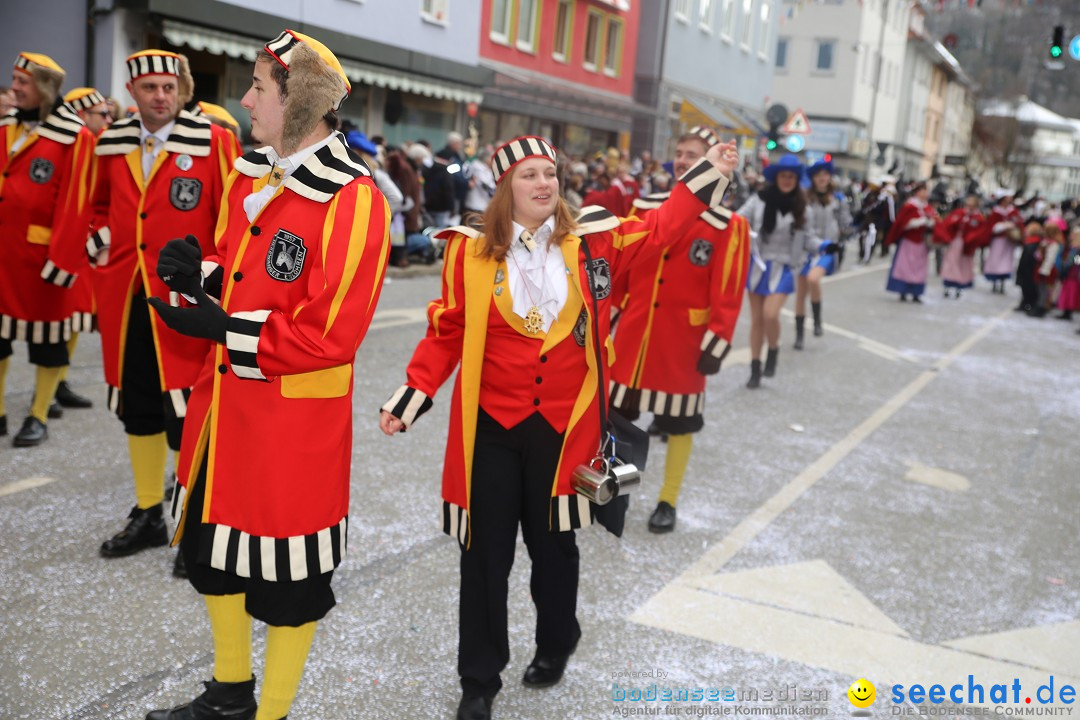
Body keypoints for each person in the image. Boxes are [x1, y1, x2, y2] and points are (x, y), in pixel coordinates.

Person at [379, 134, 737, 720]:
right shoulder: (468, 251)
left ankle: (556, 640)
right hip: (491, 426)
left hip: (563, 428)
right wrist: (411, 396)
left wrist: (709, 172)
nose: (544, 184)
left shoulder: (593, 240)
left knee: (554, 550)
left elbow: (662, 227)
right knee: (485, 556)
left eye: (550, 173)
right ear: (504, 188)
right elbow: (446, 330)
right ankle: (479, 679)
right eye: (529, 176)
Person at [145, 29, 390, 720]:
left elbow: (330, 334)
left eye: (259, 87)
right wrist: (198, 277)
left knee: (288, 586)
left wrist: (224, 327)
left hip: (292, 430)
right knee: (210, 558)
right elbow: (237, 269)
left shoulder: (353, 197)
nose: (246, 98)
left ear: (302, 101)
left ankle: (271, 712)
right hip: (225, 410)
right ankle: (229, 693)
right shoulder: (252, 172)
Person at [90, 50, 240, 567]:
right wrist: (102, 243)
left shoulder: (215, 141)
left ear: (183, 89)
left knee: (188, 411)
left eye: (169, 87)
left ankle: (192, 519)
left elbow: (232, 220)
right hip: (128, 297)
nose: (161, 96)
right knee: (139, 408)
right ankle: (150, 512)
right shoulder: (109, 142)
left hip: (185, 301)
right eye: (150, 87)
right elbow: (95, 209)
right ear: (132, 92)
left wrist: (211, 278)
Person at [609, 126, 750, 533]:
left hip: (683, 345)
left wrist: (718, 340)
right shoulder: (645, 207)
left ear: (713, 162)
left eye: (696, 155)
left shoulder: (727, 225)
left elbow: (728, 291)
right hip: (634, 338)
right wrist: (607, 320)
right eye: (682, 154)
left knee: (680, 424)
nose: (686, 161)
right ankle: (613, 493)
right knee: (617, 419)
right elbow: (621, 272)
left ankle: (667, 499)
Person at [0, 53, 95, 446]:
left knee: (49, 343)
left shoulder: (76, 137)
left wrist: (62, 261)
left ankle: (38, 414)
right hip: (2, 255)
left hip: (40, 260)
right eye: (14, 80)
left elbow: (77, 206)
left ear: (43, 88)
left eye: (22, 82)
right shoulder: (5, 125)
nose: (14, 88)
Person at [738, 154, 835, 388]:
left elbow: (808, 238)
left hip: (783, 268)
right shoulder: (759, 199)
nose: (787, 180)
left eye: (792, 176)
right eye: (783, 175)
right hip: (758, 265)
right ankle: (755, 368)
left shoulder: (803, 207)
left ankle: (773, 349)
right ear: (776, 177)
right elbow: (738, 220)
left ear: (796, 179)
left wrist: (824, 246)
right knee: (757, 320)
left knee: (771, 314)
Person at [54, 87, 112, 412]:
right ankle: (50, 386)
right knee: (61, 315)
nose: (107, 120)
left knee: (76, 315)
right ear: (81, 115)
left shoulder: (99, 143)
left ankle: (59, 380)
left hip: (87, 239)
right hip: (68, 239)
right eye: (100, 114)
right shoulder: (70, 144)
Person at [794, 159, 847, 349]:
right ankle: (799, 335)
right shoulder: (804, 197)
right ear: (813, 178)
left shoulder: (838, 199)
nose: (822, 178)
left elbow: (845, 224)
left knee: (813, 279)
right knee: (800, 294)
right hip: (805, 249)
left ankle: (817, 320)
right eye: (818, 175)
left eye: (825, 175)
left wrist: (846, 234)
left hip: (827, 248)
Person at [884, 182, 940, 303]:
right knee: (905, 267)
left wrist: (931, 223)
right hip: (908, 242)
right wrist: (917, 222)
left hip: (921, 243)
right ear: (917, 192)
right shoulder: (910, 206)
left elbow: (935, 222)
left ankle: (916, 293)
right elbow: (902, 223)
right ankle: (902, 291)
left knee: (919, 269)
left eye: (926, 191)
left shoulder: (928, 208)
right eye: (923, 191)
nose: (925, 193)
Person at [936, 192, 985, 299]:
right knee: (951, 262)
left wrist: (970, 238)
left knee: (962, 265)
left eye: (972, 206)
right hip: (955, 242)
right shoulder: (958, 213)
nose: (969, 208)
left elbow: (979, 232)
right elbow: (947, 224)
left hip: (966, 246)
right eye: (968, 205)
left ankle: (959, 287)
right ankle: (947, 286)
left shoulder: (978, 218)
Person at [984, 189, 1023, 294]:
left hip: (1009, 241)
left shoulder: (1013, 211)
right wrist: (1002, 226)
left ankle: (1002, 283)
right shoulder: (996, 212)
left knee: (1006, 261)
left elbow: (1019, 223)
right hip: (998, 240)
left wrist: (1014, 229)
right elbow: (991, 226)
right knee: (996, 260)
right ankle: (994, 282)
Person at [1056, 226, 1080, 323]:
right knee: (1067, 293)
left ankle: (1068, 312)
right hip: (1070, 274)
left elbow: (1076, 262)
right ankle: (1066, 311)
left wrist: (1069, 264)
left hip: (1073, 275)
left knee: (1071, 294)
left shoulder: (1077, 249)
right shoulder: (1072, 247)